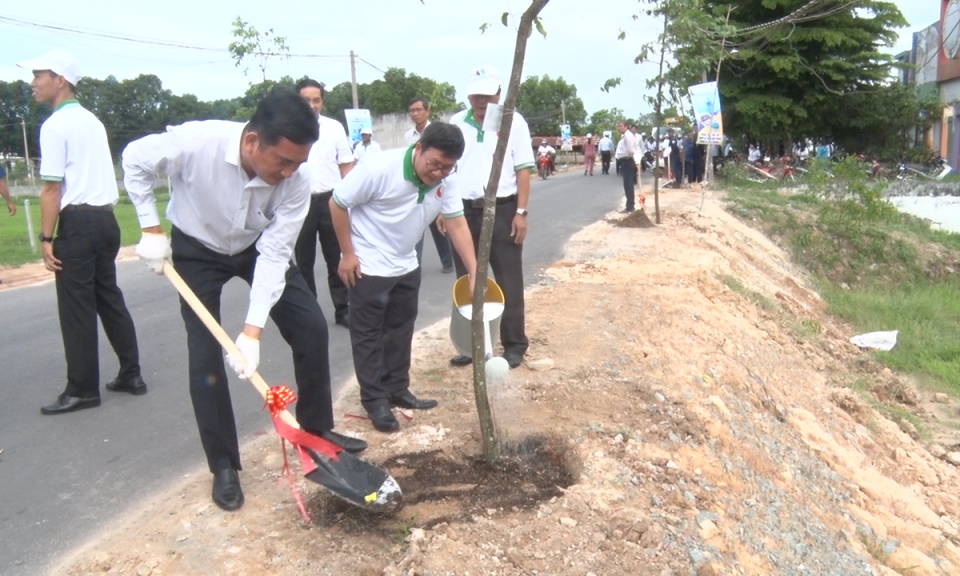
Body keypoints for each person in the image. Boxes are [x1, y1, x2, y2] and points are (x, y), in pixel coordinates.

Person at [121, 88, 366, 512]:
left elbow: (274, 254)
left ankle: (315, 429)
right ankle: (223, 465)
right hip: (197, 248)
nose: (290, 173)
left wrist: (252, 332)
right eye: (282, 162)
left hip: (255, 245)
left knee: (309, 325)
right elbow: (135, 160)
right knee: (205, 356)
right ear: (252, 141)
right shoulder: (196, 144)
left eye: (298, 163)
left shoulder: (296, 181)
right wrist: (150, 229)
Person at [17, 50, 146, 415]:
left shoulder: (55, 126)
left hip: (78, 224)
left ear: (60, 79)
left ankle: (82, 388)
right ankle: (130, 373)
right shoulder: (92, 121)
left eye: (38, 75)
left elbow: (52, 189)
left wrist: (45, 239)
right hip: (106, 221)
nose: (33, 83)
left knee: (76, 308)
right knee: (108, 297)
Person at [330, 123, 477, 432]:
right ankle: (375, 401)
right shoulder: (379, 168)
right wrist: (347, 253)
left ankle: (397, 389)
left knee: (401, 330)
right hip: (368, 265)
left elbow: (457, 223)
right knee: (368, 336)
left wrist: (475, 271)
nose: (438, 173)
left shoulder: (447, 178)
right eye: (433, 164)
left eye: (446, 168)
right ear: (419, 148)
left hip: (406, 261)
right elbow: (338, 203)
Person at [446, 64, 534, 369]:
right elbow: (449, 168)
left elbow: (523, 169)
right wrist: (445, 208)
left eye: (487, 95)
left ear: (498, 94)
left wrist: (521, 212)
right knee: (468, 279)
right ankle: (474, 345)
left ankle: (514, 344)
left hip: (502, 209)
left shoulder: (513, 122)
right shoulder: (457, 122)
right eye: (475, 95)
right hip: (463, 212)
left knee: (509, 279)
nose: (481, 102)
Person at [294, 78, 354, 328]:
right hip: (298, 203)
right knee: (303, 261)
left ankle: (344, 309)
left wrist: (350, 200)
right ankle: (309, 314)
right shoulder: (289, 129)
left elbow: (346, 165)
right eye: (306, 100)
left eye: (316, 100)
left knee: (336, 257)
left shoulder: (334, 128)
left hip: (331, 201)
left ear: (322, 101)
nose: (312, 105)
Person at [406, 97, 454, 274]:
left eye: (419, 109)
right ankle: (414, 265)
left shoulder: (438, 133)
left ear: (428, 111)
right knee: (415, 229)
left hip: (436, 185)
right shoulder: (408, 136)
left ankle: (448, 261)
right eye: (412, 110)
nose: (416, 113)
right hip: (416, 188)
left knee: (439, 227)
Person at [614, 120, 638, 212]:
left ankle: (630, 206)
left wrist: (629, 157)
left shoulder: (628, 136)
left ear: (626, 126)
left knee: (628, 184)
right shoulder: (624, 136)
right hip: (624, 161)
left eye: (620, 126)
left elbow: (631, 150)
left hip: (627, 161)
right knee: (627, 184)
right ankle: (629, 205)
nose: (619, 128)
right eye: (618, 126)